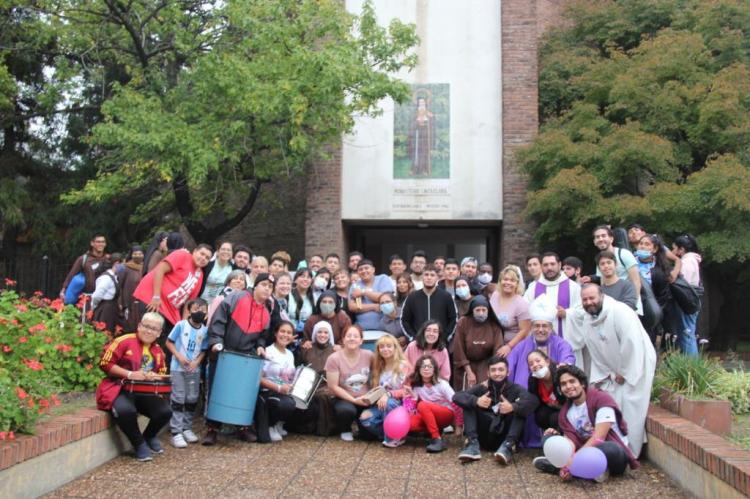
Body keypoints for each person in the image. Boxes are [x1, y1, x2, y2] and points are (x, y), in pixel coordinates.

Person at [565, 284, 656, 457]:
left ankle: (630, 452)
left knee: (630, 407)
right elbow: (594, 350)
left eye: (592, 298)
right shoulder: (587, 318)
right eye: (585, 299)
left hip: (636, 364)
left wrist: (624, 371)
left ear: (601, 296)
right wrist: (606, 374)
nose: (589, 302)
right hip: (610, 370)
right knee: (608, 405)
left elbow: (632, 343)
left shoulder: (620, 312)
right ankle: (612, 449)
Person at [202, 273, 281, 445]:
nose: (267, 289)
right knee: (217, 390)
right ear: (256, 285)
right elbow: (219, 320)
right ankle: (212, 429)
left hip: (245, 357)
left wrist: (260, 346)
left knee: (242, 393)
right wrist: (216, 341)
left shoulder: (267, 312)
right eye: (264, 284)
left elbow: (262, 335)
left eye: (270, 287)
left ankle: (242, 427)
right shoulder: (236, 297)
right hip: (224, 352)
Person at [533, 365, 640, 481]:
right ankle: (582, 471)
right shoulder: (565, 412)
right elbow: (571, 441)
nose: (568, 386)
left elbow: (599, 437)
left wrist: (572, 460)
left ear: (582, 383)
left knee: (611, 448)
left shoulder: (601, 399)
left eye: (572, 381)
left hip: (611, 453)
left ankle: (563, 468)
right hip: (583, 452)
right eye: (563, 384)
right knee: (548, 439)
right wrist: (563, 451)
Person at [95, 312, 172, 461]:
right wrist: (130, 374)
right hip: (120, 388)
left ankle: (149, 436)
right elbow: (105, 363)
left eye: (154, 329)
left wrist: (155, 377)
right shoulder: (123, 341)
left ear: (159, 333)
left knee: (165, 412)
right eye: (146, 326)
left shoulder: (159, 352)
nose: (149, 331)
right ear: (139, 326)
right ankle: (138, 444)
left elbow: (161, 373)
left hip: (145, 392)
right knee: (125, 411)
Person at [507, 294, 575, 448]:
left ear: (551, 328)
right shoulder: (522, 345)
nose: (541, 330)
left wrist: (564, 364)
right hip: (530, 394)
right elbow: (509, 365)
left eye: (545, 326)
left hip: (554, 399)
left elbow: (568, 357)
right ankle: (521, 440)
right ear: (532, 328)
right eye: (537, 326)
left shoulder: (560, 344)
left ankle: (553, 444)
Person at [133, 244, 213, 359]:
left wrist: (185, 324)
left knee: (169, 342)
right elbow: (160, 269)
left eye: (207, 258)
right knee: (147, 337)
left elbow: (188, 303)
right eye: (202, 254)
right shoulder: (183, 255)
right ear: (194, 251)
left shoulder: (200, 275)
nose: (203, 258)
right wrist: (156, 296)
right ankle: (135, 367)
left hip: (171, 311)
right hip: (153, 300)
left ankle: (156, 370)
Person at [454, 356, 538, 464]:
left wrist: (513, 407)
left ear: (508, 372)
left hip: (504, 436)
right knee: (468, 403)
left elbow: (533, 401)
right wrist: (476, 400)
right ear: (488, 373)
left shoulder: (515, 388)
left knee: (521, 409)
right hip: (483, 435)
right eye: (493, 370)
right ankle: (472, 445)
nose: (497, 373)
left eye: (501, 370)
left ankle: (508, 446)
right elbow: (456, 396)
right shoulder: (482, 387)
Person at [165, 298, 208, 448]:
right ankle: (176, 431)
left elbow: (204, 350)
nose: (200, 312)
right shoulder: (181, 325)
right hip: (178, 368)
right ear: (189, 311)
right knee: (178, 397)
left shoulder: (205, 330)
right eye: (196, 309)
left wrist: (197, 362)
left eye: (203, 310)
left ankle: (186, 427)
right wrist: (178, 356)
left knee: (192, 397)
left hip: (194, 370)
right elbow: (169, 342)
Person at [359, 335, 412, 446]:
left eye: (389, 346)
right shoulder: (378, 366)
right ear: (378, 350)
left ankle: (391, 440)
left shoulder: (404, 366)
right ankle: (395, 435)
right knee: (365, 418)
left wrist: (388, 394)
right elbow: (376, 388)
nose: (385, 349)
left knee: (388, 403)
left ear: (395, 348)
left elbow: (407, 391)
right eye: (381, 347)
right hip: (381, 403)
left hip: (399, 403)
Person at [324, 325, 374, 441]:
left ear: (361, 340)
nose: (352, 339)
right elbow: (333, 387)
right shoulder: (334, 358)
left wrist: (370, 397)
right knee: (347, 411)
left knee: (369, 436)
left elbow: (378, 376)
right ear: (343, 339)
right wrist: (354, 400)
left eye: (356, 336)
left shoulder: (369, 355)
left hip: (365, 399)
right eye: (349, 336)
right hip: (343, 399)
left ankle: (361, 424)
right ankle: (345, 428)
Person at [406, 354, 462, 453]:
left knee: (423, 405)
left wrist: (458, 425)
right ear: (418, 369)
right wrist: (413, 397)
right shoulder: (417, 386)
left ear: (434, 369)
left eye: (429, 366)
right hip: (429, 414)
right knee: (410, 423)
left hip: (446, 415)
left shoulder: (442, 384)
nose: (426, 369)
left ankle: (437, 439)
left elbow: (456, 404)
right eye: (423, 366)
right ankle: (432, 432)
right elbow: (413, 408)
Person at [256, 321, 298, 443]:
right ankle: (271, 425)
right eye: (282, 331)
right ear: (275, 333)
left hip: (284, 391)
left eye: (289, 333)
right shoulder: (267, 352)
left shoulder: (290, 354)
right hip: (268, 392)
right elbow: (258, 378)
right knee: (286, 404)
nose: (285, 335)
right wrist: (278, 388)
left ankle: (280, 422)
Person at [583, 225, 642, 313]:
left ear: (611, 239)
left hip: (629, 304)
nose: (601, 239)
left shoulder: (624, 254)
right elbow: (603, 285)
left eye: (603, 236)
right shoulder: (600, 260)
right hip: (611, 308)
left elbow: (636, 282)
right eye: (597, 237)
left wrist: (633, 304)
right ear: (594, 242)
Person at [523, 252, 581, 338]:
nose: (549, 268)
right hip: (540, 343)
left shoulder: (573, 287)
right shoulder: (533, 288)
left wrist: (566, 313)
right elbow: (524, 312)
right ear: (541, 267)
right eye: (545, 265)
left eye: (552, 264)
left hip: (567, 341)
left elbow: (582, 311)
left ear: (559, 264)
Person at [452, 296, 504, 390]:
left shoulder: (494, 325)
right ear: (472, 310)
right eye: (478, 310)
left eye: (484, 310)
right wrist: (469, 371)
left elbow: (497, 350)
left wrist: (491, 371)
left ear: (488, 311)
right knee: (467, 393)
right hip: (465, 364)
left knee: (484, 390)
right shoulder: (463, 322)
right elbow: (458, 348)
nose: (481, 313)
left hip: (486, 363)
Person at [400, 264, 457, 342]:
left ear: (437, 278)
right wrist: (413, 338)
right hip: (418, 344)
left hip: (440, 344)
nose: (429, 277)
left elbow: (454, 319)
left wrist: (445, 337)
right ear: (422, 277)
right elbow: (404, 320)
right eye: (426, 275)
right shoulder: (412, 297)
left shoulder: (446, 297)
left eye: (432, 275)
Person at [300, 320, 337, 436]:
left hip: (326, 384)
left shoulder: (335, 350)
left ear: (330, 335)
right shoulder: (307, 348)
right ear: (315, 334)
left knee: (323, 395)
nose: (322, 335)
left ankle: (324, 429)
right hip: (309, 382)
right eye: (319, 332)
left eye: (326, 332)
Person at [672, 234, 702, 356]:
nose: (672, 251)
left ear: (681, 249)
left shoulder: (687, 262)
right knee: (687, 332)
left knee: (687, 333)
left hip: (687, 302)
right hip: (690, 301)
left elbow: (684, 283)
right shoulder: (692, 260)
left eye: (674, 248)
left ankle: (691, 366)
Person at [489, 266, 531, 353]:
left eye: (512, 280)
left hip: (513, 348)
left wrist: (508, 347)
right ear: (500, 281)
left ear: (517, 284)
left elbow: (525, 330)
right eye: (505, 279)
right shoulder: (495, 295)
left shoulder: (521, 303)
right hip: (493, 343)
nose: (508, 282)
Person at [60, 233, 109, 302]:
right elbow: (72, 275)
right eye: (98, 242)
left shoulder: (108, 259)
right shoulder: (83, 259)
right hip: (87, 298)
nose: (101, 244)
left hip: (104, 298)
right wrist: (64, 290)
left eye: (103, 242)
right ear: (92, 243)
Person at [526, 350, 565, 436]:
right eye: (531, 364)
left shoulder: (560, 374)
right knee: (540, 416)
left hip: (566, 408)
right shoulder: (533, 380)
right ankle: (550, 435)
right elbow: (533, 399)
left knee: (555, 418)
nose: (535, 365)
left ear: (547, 362)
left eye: (538, 361)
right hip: (550, 408)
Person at [348, 259, 394, 331]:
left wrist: (363, 292)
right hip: (362, 328)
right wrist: (373, 306)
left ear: (373, 269)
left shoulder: (383, 278)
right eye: (360, 269)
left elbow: (386, 297)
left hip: (385, 328)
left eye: (366, 268)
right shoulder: (355, 285)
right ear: (358, 272)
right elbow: (352, 307)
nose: (363, 271)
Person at [91, 253, 124, 334]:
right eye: (123, 264)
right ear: (116, 264)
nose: (124, 266)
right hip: (105, 309)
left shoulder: (114, 277)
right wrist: (95, 307)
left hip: (111, 308)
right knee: (105, 333)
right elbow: (97, 295)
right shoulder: (106, 278)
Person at [119, 246, 145, 333]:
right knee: (130, 326)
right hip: (129, 302)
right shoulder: (125, 268)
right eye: (135, 254)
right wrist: (121, 302)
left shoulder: (146, 267)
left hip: (143, 301)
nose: (138, 256)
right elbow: (120, 286)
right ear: (131, 255)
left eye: (140, 254)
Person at [288, 268, 315, 339]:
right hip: (288, 333)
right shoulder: (288, 295)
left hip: (306, 335)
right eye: (302, 276)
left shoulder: (314, 297)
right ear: (295, 279)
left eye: (308, 277)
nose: (305, 279)